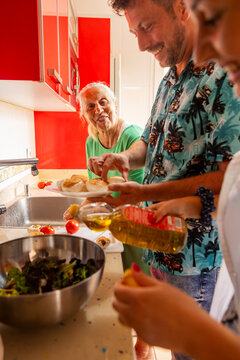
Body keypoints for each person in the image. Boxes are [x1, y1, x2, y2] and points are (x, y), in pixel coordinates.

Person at [88, 1, 240, 359]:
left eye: (146, 27)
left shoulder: (223, 76)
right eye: (134, 33)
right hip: (158, 239)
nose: (141, 44)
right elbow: (152, 139)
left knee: (191, 351)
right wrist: (124, 157)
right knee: (175, 349)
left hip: (193, 255)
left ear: (178, 9)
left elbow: (227, 180)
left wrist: (143, 192)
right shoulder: (170, 77)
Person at [77, 82, 150, 274]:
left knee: (138, 280)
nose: (98, 109)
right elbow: (96, 188)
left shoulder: (132, 136)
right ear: (84, 114)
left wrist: (85, 211)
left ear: (114, 104)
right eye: (90, 106)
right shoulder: (91, 142)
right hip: (114, 225)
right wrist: (79, 209)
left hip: (137, 224)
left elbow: (133, 197)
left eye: (103, 102)